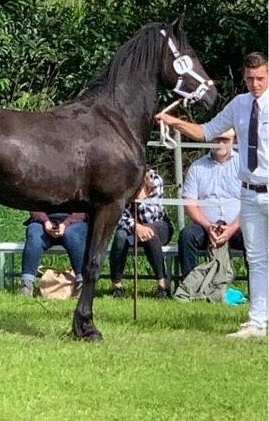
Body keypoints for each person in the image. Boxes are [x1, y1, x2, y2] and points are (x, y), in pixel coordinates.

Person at [156, 51, 268, 338]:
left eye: (261, 79)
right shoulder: (239, 105)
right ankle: (257, 320)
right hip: (248, 191)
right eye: (250, 79)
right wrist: (174, 122)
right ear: (243, 77)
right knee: (256, 258)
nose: (255, 84)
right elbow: (206, 132)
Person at [179, 128, 245, 279]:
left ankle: (258, 290)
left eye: (225, 140)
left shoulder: (244, 165)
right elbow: (189, 204)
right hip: (205, 226)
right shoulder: (197, 167)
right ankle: (189, 286)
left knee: (256, 237)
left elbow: (251, 202)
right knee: (187, 236)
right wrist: (208, 227)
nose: (220, 144)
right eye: (216, 139)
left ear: (234, 141)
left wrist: (232, 228)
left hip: (238, 226)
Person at [109, 167, 173, 299]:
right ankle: (116, 286)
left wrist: (141, 199)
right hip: (132, 225)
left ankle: (162, 284)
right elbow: (119, 217)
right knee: (120, 236)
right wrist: (136, 226)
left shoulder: (155, 180)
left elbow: (154, 216)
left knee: (150, 232)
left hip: (159, 224)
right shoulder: (123, 183)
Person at [19, 212, 88, 297]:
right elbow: (34, 207)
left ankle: (83, 284)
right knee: (34, 236)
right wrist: (46, 222)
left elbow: (84, 211)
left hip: (74, 222)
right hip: (43, 223)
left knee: (73, 236)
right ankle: (27, 284)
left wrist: (65, 224)